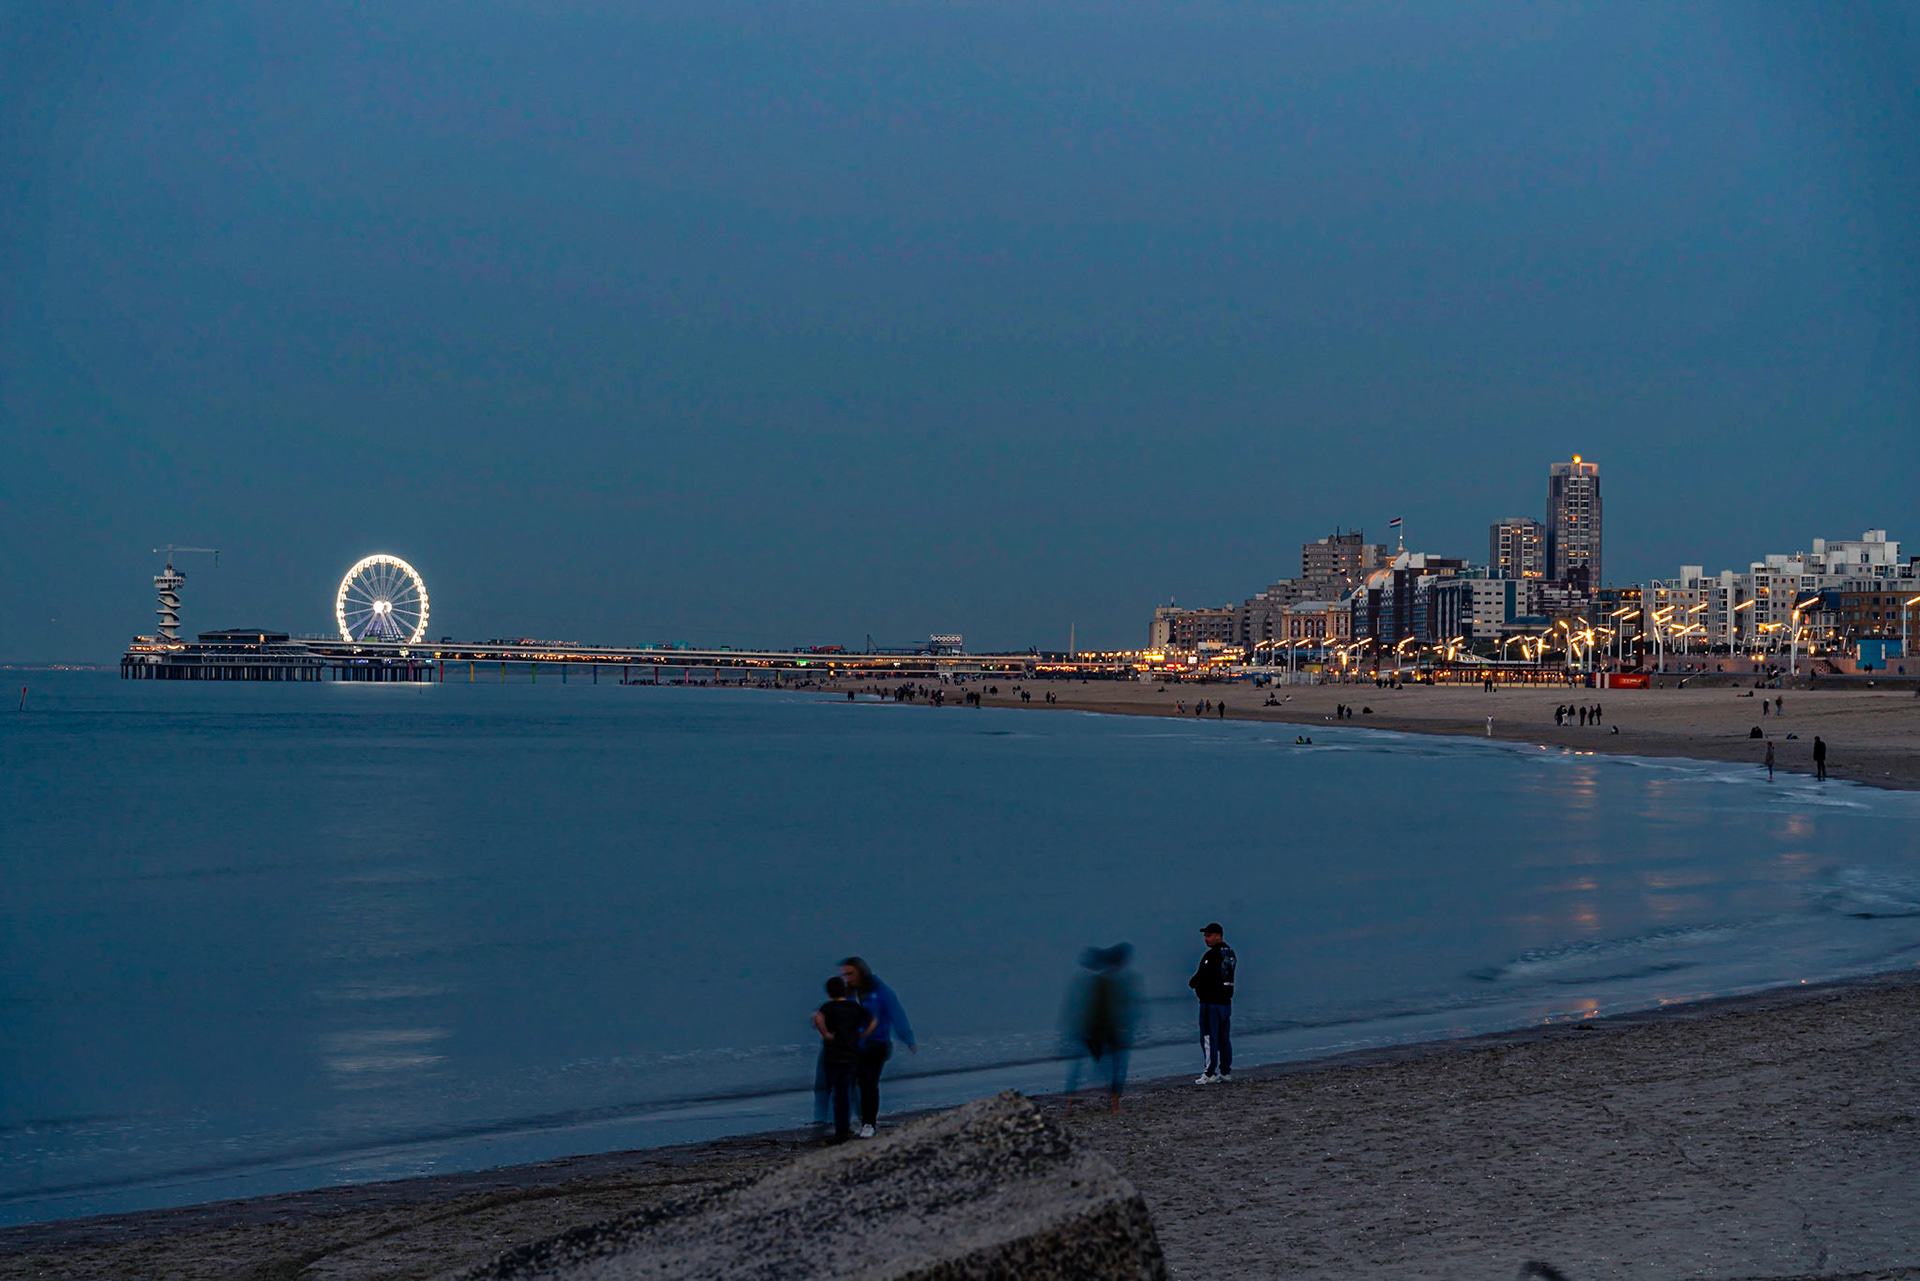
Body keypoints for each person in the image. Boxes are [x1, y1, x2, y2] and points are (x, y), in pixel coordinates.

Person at [840, 957, 915, 1138]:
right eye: (845, 975)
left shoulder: (880, 991)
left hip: (877, 1045)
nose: (847, 978)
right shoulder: (849, 993)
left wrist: (907, 1037)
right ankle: (861, 1119)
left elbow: (896, 1013)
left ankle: (869, 1123)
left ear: (860, 972)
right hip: (854, 1045)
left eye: (850, 974)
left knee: (868, 1083)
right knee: (852, 1084)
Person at [1061, 944, 1139, 1112]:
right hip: (1106, 1031)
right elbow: (1112, 1008)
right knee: (1116, 1067)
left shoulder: (1092, 979)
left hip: (1090, 1030)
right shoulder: (1113, 980)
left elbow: (1080, 1007)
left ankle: (1069, 1102)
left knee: (1080, 1068)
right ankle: (1114, 1104)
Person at [814, 976, 876, 1141]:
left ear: (829, 992)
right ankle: (860, 1122)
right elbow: (873, 1021)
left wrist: (826, 1034)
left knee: (838, 1094)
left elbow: (818, 1019)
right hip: (852, 1053)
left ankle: (841, 1130)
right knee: (852, 1090)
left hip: (834, 1054)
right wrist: (863, 1035)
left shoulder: (828, 1007)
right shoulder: (854, 1007)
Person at [1188, 922, 1236, 1084]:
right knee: (1224, 1037)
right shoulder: (1229, 953)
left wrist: (1194, 985)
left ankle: (1209, 1073)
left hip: (1211, 1002)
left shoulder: (1212, 955)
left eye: (1208, 935)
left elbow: (1202, 976)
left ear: (1218, 936)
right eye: (1205, 936)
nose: (1205, 939)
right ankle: (1226, 1071)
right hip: (1225, 1002)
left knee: (1209, 1037)